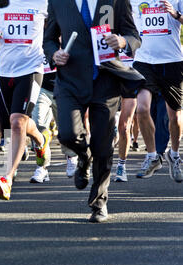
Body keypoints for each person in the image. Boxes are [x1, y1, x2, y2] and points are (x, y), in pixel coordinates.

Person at [44, 0, 144, 222]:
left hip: (105, 81)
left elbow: (133, 36)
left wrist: (122, 41)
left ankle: (99, 202)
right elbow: (48, 39)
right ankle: (83, 156)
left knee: (102, 146)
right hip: (70, 80)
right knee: (68, 134)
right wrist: (54, 54)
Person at [0, 0, 51, 201]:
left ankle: (7, 178)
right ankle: (41, 140)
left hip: (31, 70)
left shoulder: (44, 3)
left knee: (18, 122)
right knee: (14, 123)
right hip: (5, 74)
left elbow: (63, 23)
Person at [131, 0, 183, 182]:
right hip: (143, 60)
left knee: (174, 117)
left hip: (172, 61)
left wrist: (176, 15)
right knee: (142, 109)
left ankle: (174, 155)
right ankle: (152, 156)